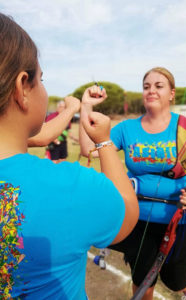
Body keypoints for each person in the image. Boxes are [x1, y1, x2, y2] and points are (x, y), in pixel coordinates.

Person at [0, 13, 139, 300]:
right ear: (21, 87)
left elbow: (39, 136)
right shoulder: (69, 186)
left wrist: (76, 107)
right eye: (42, 79)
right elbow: (126, 212)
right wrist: (103, 141)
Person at [79, 67, 186, 300]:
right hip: (138, 219)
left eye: (159, 86)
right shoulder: (127, 128)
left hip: (182, 219)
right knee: (142, 280)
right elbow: (89, 148)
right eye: (147, 86)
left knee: (175, 279)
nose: (151, 90)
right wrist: (86, 106)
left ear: (171, 93)